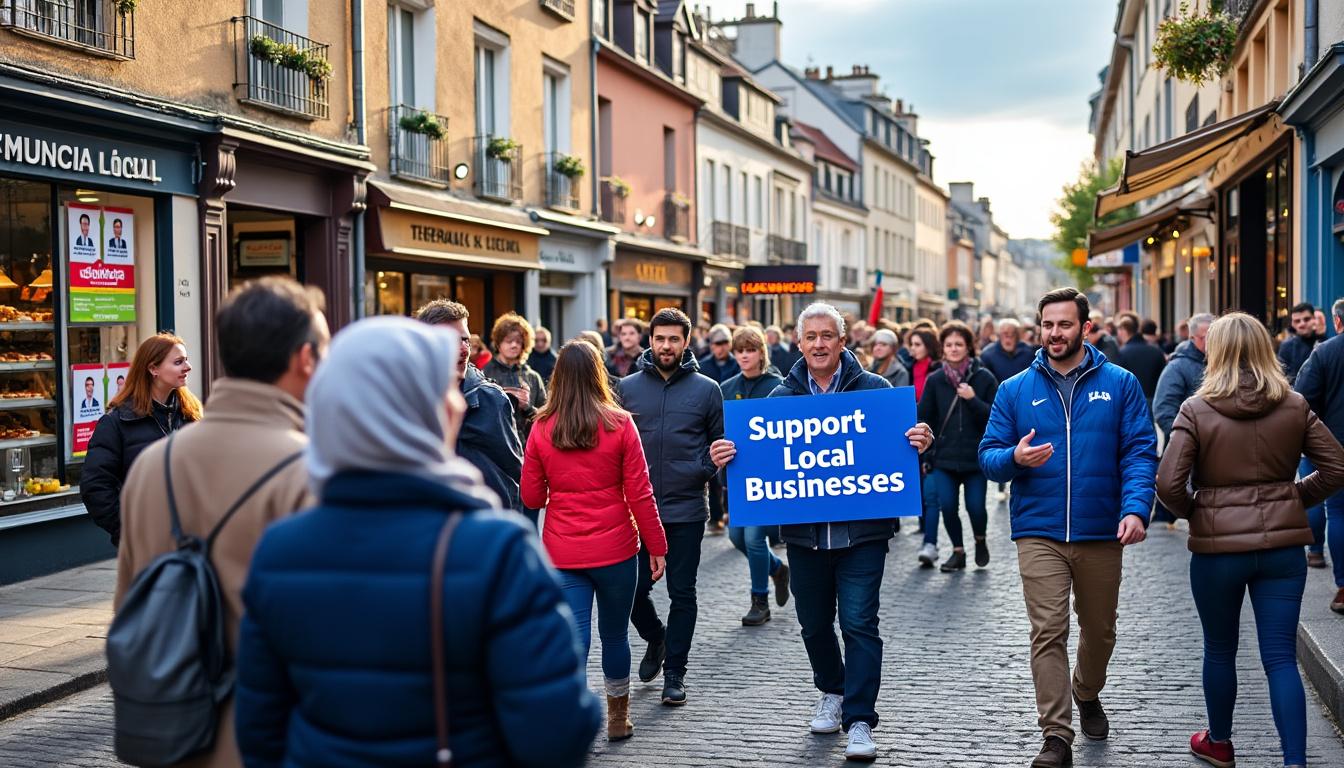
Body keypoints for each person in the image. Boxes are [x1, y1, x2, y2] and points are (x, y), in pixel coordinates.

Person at [234, 317, 601, 767]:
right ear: (438, 413)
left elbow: (258, 731)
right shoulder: (498, 551)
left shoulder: (279, 550)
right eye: (445, 391)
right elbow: (558, 732)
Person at [115, 277, 328, 768]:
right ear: (305, 358)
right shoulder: (312, 472)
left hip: (174, 734)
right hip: (271, 741)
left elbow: (129, 605)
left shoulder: (152, 466)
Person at [709, 302, 934, 763]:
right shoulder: (780, 400)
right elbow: (761, 463)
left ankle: (859, 719)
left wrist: (920, 444)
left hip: (863, 536)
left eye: (827, 335)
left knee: (859, 623)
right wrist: (728, 458)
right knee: (813, 625)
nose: (818, 344)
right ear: (798, 343)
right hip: (804, 537)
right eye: (810, 336)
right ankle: (833, 689)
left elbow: (900, 456)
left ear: (842, 341)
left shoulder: (875, 390)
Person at [979, 287, 1157, 768]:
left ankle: (1087, 690)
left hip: (1101, 528)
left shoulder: (1120, 383)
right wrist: (1013, 458)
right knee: (1048, 631)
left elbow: (1140, 451)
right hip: (1038, 529)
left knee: (1100, 630)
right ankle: (1056, 736)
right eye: (1047, 325)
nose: (1054, 333)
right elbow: (988, 456)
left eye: (1064, 324)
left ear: (1085, 328)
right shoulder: (1014, 389)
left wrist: (1136, 509)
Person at [1157, 312, 1344, 768]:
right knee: (1280, 658)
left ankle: (1219, 744)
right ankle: (1295, 761)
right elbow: (1337, 467)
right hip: (1282, 551)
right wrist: (1292, 498)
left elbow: (1167, 485)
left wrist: (1200, 513)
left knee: (1220, 649)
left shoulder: (1196, 409)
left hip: (1218, 552)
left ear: (1214, 352)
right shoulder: (1294, 405)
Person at [521, 340, 668, 742]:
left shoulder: (541, 427)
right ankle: (618, 718)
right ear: (598, 375)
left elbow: (531, 497)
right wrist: (657, 545)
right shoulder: (620, 423)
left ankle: (571, 716)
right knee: (615, 635)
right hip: (617, 549)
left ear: (557, 378)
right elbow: (640, 492)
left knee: (574, 636)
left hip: (563, 550)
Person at [618, 307, 724, 706]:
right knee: (629, 590)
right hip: (635, 512)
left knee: (683, 593)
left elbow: (721, 445)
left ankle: (675, 672)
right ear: (650, 340)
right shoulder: (626, 388)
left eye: (674, 339)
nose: (666, 345)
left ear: (686, 342)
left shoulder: (707, 389)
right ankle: (656, 638)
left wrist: (703, 468)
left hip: (686, 510)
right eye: (660, 338)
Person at [82, 333, 203, 547]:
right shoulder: (116, 422)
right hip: (146, 546)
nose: (188, 367)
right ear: (153, 369)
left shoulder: (192, 416)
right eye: (178, 362)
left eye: (186, 360)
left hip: (194, 541)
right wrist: (129, 532)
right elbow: (96, 486)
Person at [416, 299, 523, 512]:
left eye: (465, 340)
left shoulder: (491, 399)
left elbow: (514, 472)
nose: (463, 349)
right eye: (450, 341)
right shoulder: (408, 400)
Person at [719, 326, 789, 626]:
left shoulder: (779, 386)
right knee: (737, 537)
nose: (745, 356)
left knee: (754, 537)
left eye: (750, 350)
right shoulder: (727, 387)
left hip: (769, 476)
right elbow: (718, 431)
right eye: (740, 351)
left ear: (762, 352)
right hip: (738, 476)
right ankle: (777, 569)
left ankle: (760, 601)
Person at [918, 321, 998, 572]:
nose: (953, 349)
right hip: (944, 458)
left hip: (975, 458)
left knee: (976, 508)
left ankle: (980, 540)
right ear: (942, 348)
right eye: (949, 344)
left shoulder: (983, 378)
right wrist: (926, 453)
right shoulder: (935, 380)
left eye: (959, 344)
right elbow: (925, 418)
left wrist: (973, 399)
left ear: (968, 347)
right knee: (948, 507)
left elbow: (996, 417)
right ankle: (958, 551)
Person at [1294, 297, 1344, 612]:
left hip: (1335, 445)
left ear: (1337, 321)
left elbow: (1302, 400)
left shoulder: (1325, 352)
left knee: (1338, 513)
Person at [1152, 313, 1214, 528]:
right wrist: (1185, 439)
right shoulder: (1177, 366)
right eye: (1207, 336)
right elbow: (1163, 408)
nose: (1213, 341)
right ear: (1193, 338)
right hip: (1188, 450)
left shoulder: (1223, 362)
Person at [482, 312, 547, 444]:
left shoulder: (533, 377)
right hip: (495, 446)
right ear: (498, 343)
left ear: (524, 344)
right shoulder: (485, 374)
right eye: (509, 341)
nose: (514, 345)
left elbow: (545, 419)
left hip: (527, 447)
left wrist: (528, 408)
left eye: (518, 341)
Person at [907, 327, 944, 552]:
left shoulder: (937, 369)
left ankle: (930, 539)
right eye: (911, 344)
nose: (913, 349)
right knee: (916, 480)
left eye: (917, 344)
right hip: (910, 430)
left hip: (930, 431)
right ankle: (923, 524)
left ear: (928, 346)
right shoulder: (909, 367)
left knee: (930, 486)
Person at [1115, 313, 1166, 413]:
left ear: (1123, 331)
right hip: (1154, 402)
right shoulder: (1156, 351)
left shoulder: (1122, 353)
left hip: (1131, 403)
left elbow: (1118, 382)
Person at [980, 318, 1035, 384]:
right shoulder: (987, 354)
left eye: (1012, 334)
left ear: (1017, 336)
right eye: (1005, 334)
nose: (1008, 337)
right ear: (999, 335)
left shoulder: (1028, 353)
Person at [1278, 301, 1319, 385]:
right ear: (1292, 323)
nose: (1302, 324)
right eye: (1297, 321)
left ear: (1314, 319)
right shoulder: (1287, 346)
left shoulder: (1325, 342)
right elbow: (1282, 376)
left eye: (1307, 319)